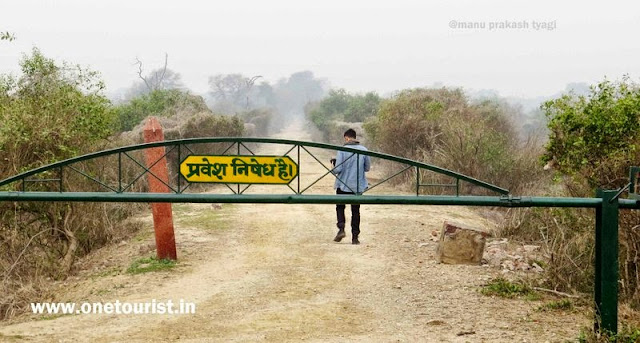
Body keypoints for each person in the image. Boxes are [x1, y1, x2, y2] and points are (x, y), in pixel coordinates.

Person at [330, 128, 371, 244]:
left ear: (346, 138)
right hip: (357, 186)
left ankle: (341, 228)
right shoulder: (364, 150)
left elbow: (338, 169)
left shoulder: (342, 150)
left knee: (340, 207)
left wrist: (333, 163)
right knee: (355, 211)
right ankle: (355, 237)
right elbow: (367, 168)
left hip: (343, 185)